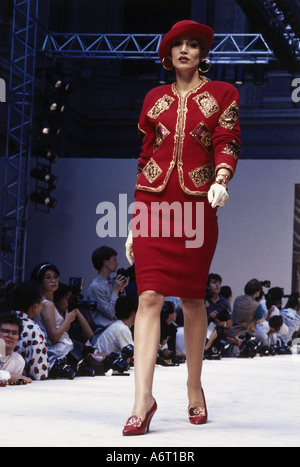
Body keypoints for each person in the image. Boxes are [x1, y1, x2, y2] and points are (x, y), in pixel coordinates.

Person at [122, 20, 241, 435]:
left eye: (194, 45)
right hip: (153, 203)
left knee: (192, 299)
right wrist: (136, 224)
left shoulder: (223, 94)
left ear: (202, 53)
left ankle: (194, 387)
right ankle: (143, 399)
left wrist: (221, 179)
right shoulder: (154, 98)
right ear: (168, 55)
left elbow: (228, 139)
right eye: (178, 46)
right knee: (149, 296)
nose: (186, 51)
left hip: (196, 204)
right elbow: (144, 157)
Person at [86, 246, 129, 337]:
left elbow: (123, 311)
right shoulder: (95, 286)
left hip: (117, 330)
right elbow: (111, 313)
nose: (117, 263)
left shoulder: (112, 283)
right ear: (105, 262)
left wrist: (121, 291)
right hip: (104, 334)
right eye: (114, 260)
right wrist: (115, 291)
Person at [13, 280, 49, 380]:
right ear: (34, 307)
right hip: (23, 384)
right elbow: (39, 373)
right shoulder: (34, 330)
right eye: (41, 303)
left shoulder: (4, 321)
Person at [229, 279, 264, 356]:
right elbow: (261, 320)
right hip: (246, 337)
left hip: (233, 334)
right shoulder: (256, 305)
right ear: (258, 291)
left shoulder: (237, 299)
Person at [54, 282, 94, 349]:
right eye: (67, 298)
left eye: (70, 298)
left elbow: (90, 334)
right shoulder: (54, 316)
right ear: (58, 299)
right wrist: (67, 321)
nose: (69, 301)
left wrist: (76, 308)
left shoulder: (69, 315)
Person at [0, 312, 32, 384]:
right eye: (5, 331)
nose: (10, 336)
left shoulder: (18, 361)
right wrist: (10, 376)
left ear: (19, 339)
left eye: (14, 333)